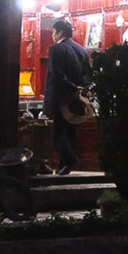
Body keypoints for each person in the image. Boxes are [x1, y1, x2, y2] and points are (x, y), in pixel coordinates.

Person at [43, 17, 91, 175]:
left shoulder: (56, 50)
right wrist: (81, 89)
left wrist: (72, 87)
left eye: (54, 33)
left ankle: (69, 160)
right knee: (70, 131)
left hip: (60, 98)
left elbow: (56, 75)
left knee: (56, 133)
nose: (52, 36)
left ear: (60, 32)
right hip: (77, 99)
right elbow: (88, 75)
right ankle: (64, 166)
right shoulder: (82, 50)